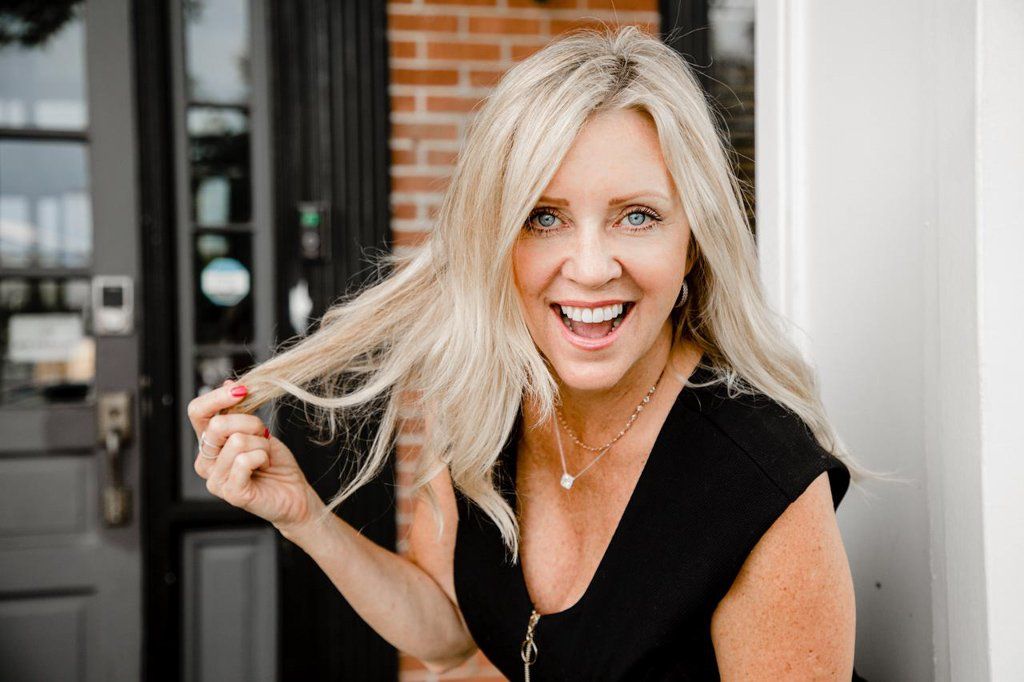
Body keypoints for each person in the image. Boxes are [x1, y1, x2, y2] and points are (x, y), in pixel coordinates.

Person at [187, 26, 885, 680]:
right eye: (543, 217)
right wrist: (304, 517)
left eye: (636, 216)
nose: (588, 266)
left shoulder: (761, 477)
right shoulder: (489, 401)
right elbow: (447, 632)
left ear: (692, 240)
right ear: (497, 238)